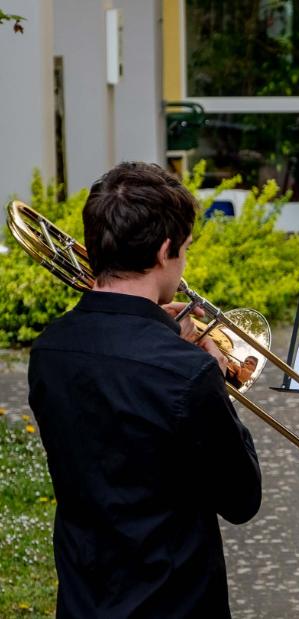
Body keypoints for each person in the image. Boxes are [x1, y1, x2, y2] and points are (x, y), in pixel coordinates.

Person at [27, 162, 262, 617]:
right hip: (174, 600)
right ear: (164, 250)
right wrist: (213, 372)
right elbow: (241, 500)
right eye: (185, 250)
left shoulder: (49, 349)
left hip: (84, 598)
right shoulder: (188, 371)